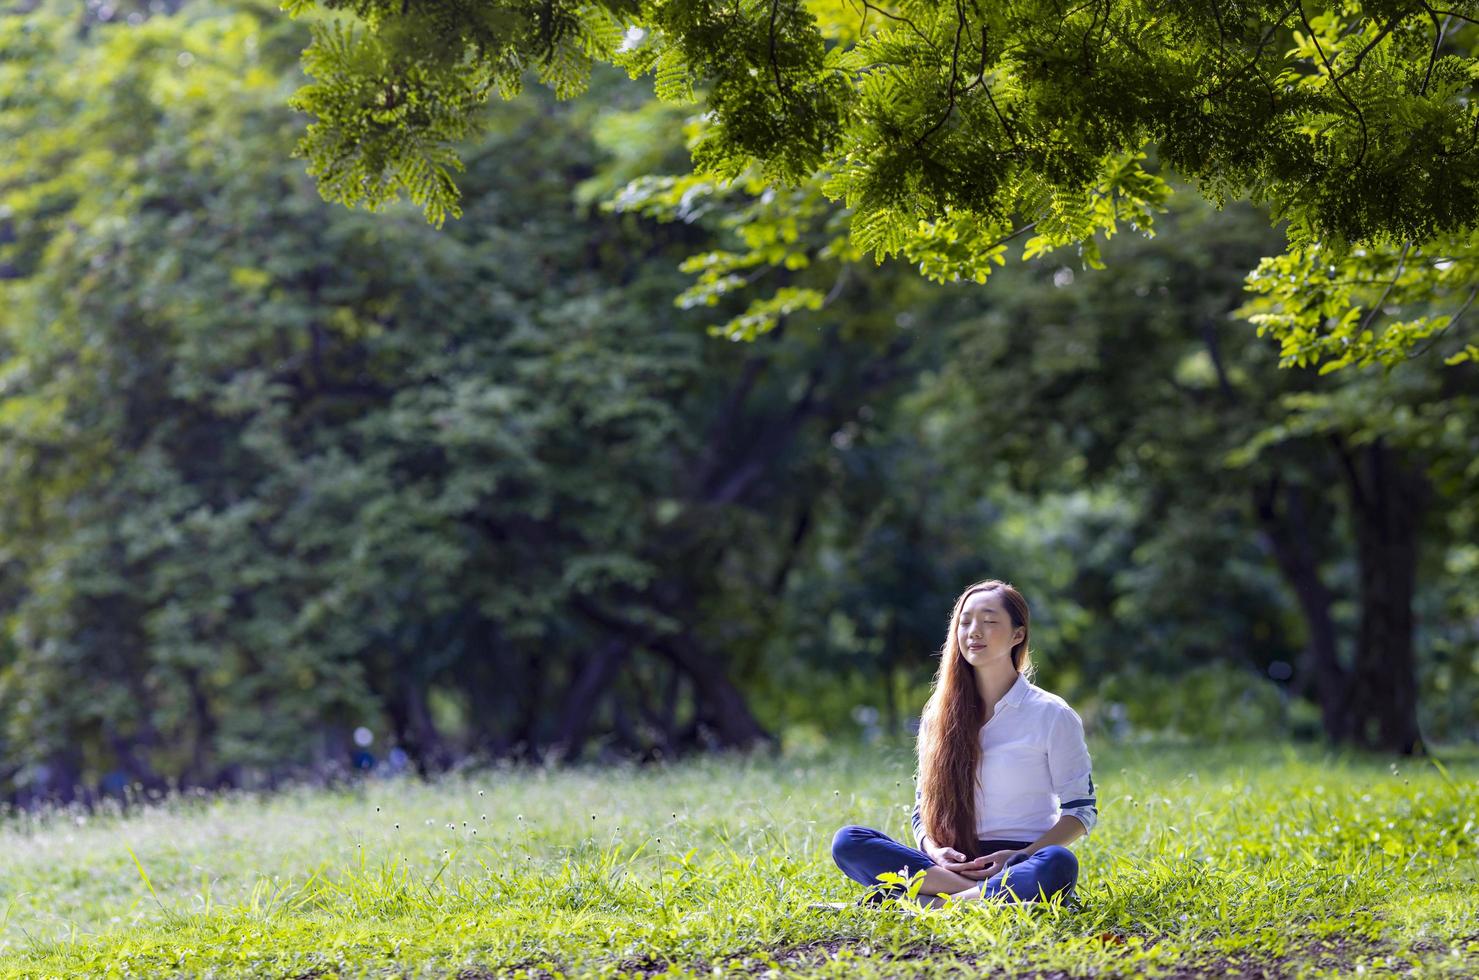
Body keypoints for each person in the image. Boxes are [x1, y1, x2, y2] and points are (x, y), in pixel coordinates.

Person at [830, 579, 1097, 907]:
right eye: (965, 621)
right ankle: (978, 900)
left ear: (1018, 634)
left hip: (1020, 863)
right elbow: (921, 807)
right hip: (947, 865)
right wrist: (933, 850)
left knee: (1058, 864)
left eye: (989, 621)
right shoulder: (938, 715)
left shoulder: (1051, 714)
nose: (974, 631)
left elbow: (1080, 812)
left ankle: (929, 904)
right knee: (849, 841)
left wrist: (1020, 856)